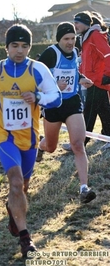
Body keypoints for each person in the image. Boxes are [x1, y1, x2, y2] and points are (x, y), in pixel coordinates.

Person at [0, 24, 62, 257]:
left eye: (24, 46)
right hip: (4, 135)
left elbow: (55, 98)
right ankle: (26, 239)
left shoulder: (38, 69)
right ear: (6, 47)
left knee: (23, 187)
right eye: (14, 45)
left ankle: (13, 210)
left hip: (30, 136)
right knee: (15, 182)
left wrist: (37, 97)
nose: (19, 50)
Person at [36, 22, 96, 204]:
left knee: (78, 144)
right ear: (59, 39)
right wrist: (54, 85)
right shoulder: (50, 53)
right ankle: (41, 146)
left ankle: (84, 188)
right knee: (51, 146)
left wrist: (82, 79)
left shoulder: (75, 52)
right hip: (53, 104)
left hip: (71, 102)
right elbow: (34, 77)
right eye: (66, 39)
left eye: (73, 38)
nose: (70, 42)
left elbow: (73, 72)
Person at [62, 11, 110, 150]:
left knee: (88, 113)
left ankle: (79, 143)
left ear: (84, 23)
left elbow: (107, 54)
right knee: (104, 111)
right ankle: (108, 137)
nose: (74, 25)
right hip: (92, 80)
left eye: (77, 22)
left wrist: (107, 74)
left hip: (98, 80)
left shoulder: (95, 35)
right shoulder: (86, 37)